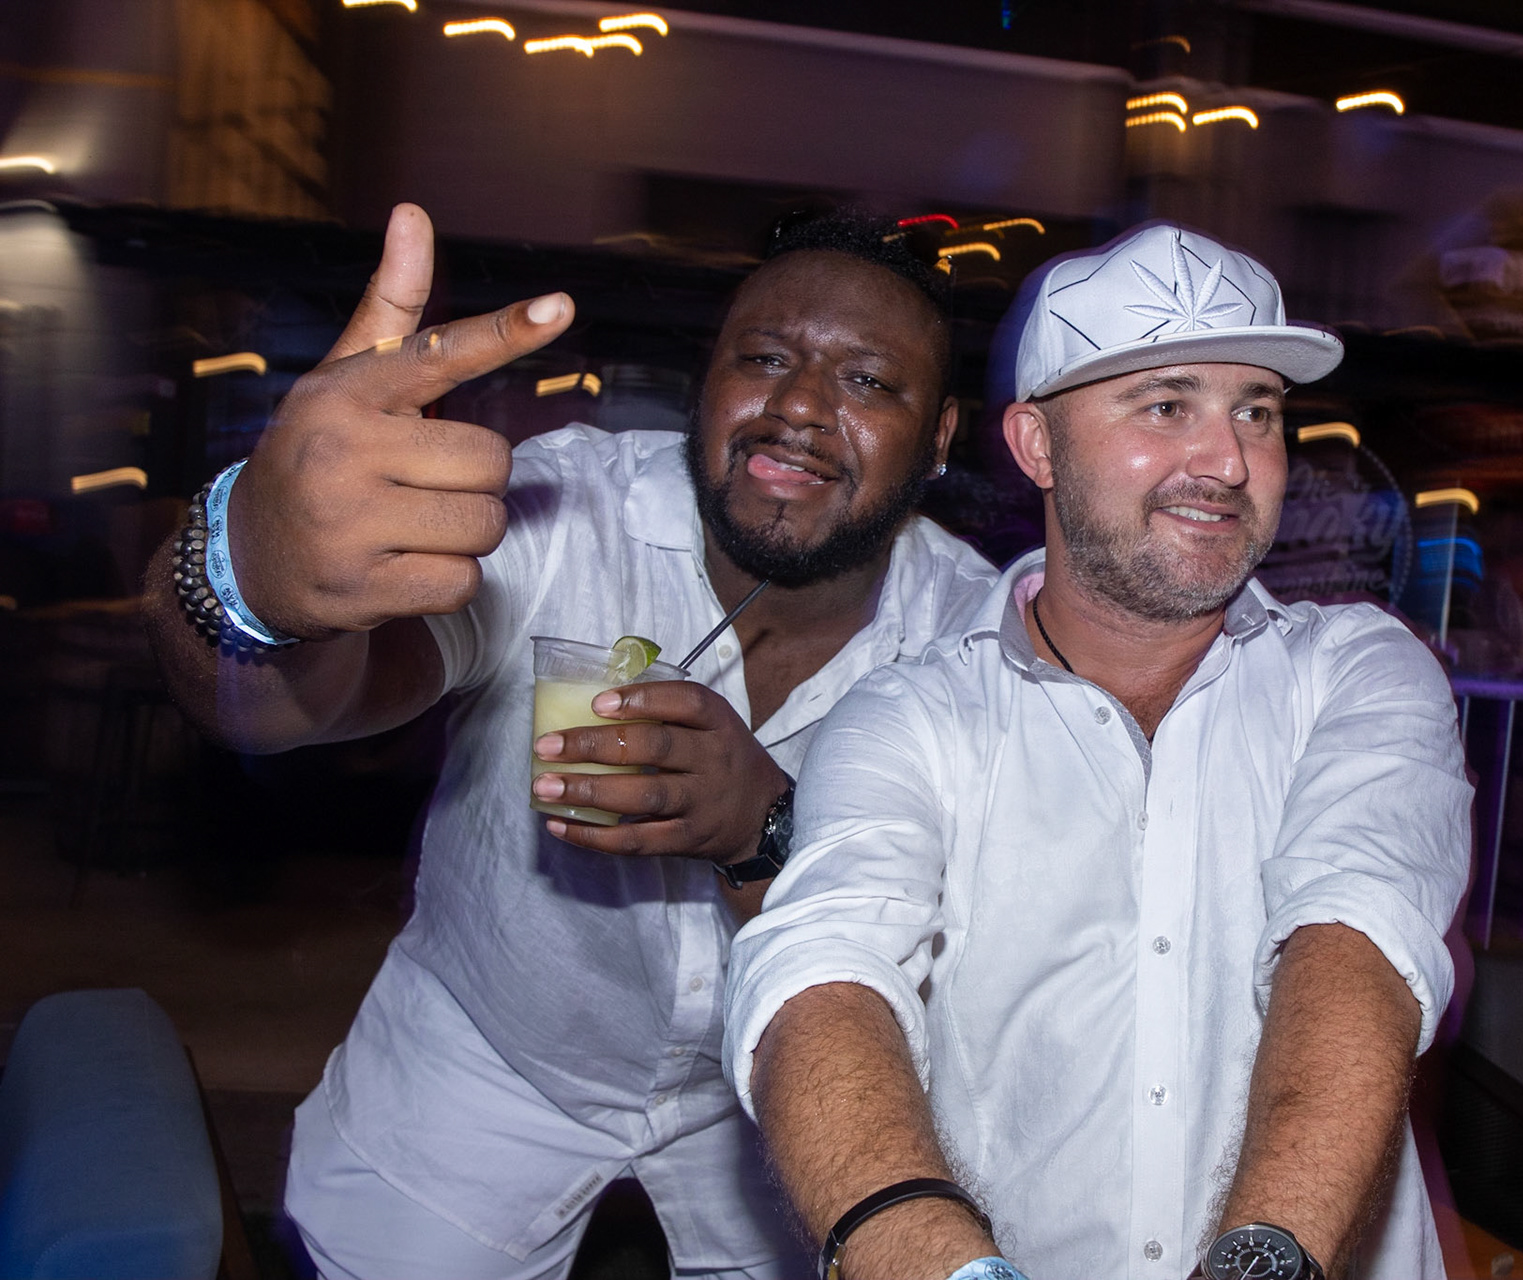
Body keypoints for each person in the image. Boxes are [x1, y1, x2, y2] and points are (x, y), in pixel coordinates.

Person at [141, 203, 998, 1279]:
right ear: (706, 382)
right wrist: (253, 585)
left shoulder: (974, 639)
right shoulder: (565, 505)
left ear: (940, 438)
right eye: (764, 358)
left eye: (868, 381)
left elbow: (960, 959)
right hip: (481, 1066)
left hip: (768, 1098)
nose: (797, 406)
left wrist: (764, 824)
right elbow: (288, 708)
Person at [724, 223, 1474, 1280]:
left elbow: (1356, 943)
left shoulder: (1357, 671)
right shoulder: (911, 713)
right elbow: (823, 970)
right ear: (1037, 445)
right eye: (1167, 405)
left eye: (1256, 411)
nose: (1228, 460)